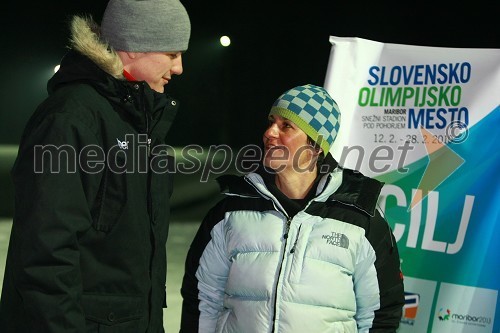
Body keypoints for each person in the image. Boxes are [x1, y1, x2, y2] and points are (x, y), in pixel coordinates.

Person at [0, 0, 190, 332]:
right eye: (173, 54)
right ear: (133, 47)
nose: (179, 69)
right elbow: (45, 257)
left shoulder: (141, 123)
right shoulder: (72, 118)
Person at [179, 84, 405, 332]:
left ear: (317, 146)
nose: (269, 133)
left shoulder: (361, 220)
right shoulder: (230, 212)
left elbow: (380, 314)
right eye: (271, 122)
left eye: (286, 125)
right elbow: (202, 300)